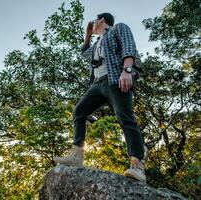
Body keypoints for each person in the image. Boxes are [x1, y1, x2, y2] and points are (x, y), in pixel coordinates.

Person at [54, 12, 146, 182]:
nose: (92, 23)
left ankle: (137, 165)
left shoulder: (118, 28)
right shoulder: (97, 43)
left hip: (116, 78)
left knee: (125, 118)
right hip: (97, 84)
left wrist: (126, 71)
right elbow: (85, 53)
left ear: (102, 20)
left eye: (95, 20)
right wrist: (88, 35)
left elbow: (128, 46)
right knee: (79, 112)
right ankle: (76, 156)